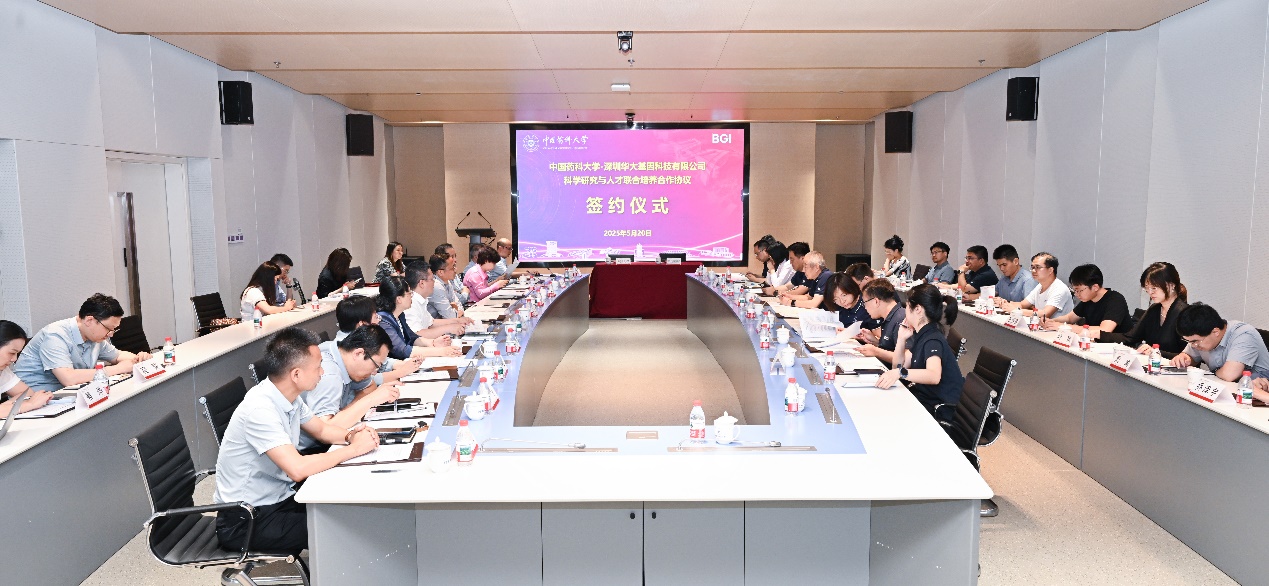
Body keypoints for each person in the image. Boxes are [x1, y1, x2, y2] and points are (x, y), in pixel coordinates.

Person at [213, 327, 379, 554]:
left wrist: (351, 436)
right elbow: (297, 469)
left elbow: (322, 430)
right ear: (296, 374)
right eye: (318, 367)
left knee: (343, 508)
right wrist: (354, 449)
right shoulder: (260, 409)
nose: (322, 372)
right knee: (340, 528)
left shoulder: (287, 396)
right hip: (246, 519)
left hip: (279, 497)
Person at [13, 294, 153, 390]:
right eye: (109, 329)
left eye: (114, 330)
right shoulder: (55, 335)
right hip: (33, 398)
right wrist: (118, 369)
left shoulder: (94, 336)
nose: (110, 334)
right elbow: (68, 378)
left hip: (65, 394)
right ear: (89, 320)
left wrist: (139, 358)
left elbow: (117, 356)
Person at [296, 325, 401, 453]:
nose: (375, 372)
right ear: (359, 353)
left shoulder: (342, 354)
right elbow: (325, 430)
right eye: (376, 365)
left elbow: (370, 386)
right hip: (311, 449)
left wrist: (348, 412)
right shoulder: (329, 374)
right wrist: (370, 400)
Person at [875, 284, 965, 423]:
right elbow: (898, 366)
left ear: (917, 309)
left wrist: (900, 373)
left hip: (939, 409)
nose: (905, 310)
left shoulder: (932, 339)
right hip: (926, 399)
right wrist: (901, 339)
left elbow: (933, 376)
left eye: (907, 306)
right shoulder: (923, 333)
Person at [332, 296, 423, 385]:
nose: (379, 320)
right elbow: (368, 380)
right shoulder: (347, 348)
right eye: (375, 316)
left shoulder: (361, 338)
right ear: (362, 324)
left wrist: (405, 364)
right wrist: (401, 372)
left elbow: (381, 361)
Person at [1171, 303, 1269, 382]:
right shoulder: (1202, 337)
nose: (1193, 345)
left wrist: (1214, 372)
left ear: (1215, 332)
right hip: (1225, 387)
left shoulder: (1244, 334)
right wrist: (1184, 358)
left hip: (1255, 391)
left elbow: (1229, 375)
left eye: (1195, 341)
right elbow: (1191, 356)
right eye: (1189, 341)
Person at [375, 276, 462, 360]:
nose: (412, 296)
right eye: (409, 293)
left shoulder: (400, 315)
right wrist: (441, 351)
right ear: (399, 299)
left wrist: (433, 343)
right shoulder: (383, 320)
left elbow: (412, 338)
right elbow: (402, 350)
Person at [1041, 264, 1132, 339]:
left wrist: (1063, 327)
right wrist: (1051, 321)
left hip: (1119, 347)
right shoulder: (1088, 299)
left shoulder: (1115, 300)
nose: (1076, 294)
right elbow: (1069, 318)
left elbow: (1104, 330)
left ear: (1095, 287)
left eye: (1079, 290)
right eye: (1074, 290)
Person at [1123, 262, 1188, 357]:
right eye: (1147, 288)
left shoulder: (1186, 314)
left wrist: (1155, 352)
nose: (1150, 292)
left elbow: (1189, 357)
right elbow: (1131, 337)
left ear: (1171, 285)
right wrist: (1101, 335)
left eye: (1154, 288)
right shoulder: (1154, 309)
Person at [0, 321, 53, 418]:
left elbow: (27, 393)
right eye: (12, 353)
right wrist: (28, 405)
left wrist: (5, 407)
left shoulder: (3, 371)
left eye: (17, 354)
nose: (14, 359)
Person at [403, 261, 469, 338]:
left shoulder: (420, 300)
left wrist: (457, 321)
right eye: (432, 279)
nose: (434, 282)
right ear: (422, 283)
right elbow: (416, 334)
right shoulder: (410, 304)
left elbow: (431, 323)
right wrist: (448, 328)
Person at [999, 252, 1073, 318]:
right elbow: (1022, 304)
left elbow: (1045, 314)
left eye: (1038, 267)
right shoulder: (1040, 286)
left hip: (1059, 328)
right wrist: (1005, 303)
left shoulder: (1059, 288)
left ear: (1050, 270)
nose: (1033, 271)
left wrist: (1016, 310)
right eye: (1032, 267)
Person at [855, 279, 906, 365]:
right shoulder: (890, 316)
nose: (865, 308)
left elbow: (906, 359)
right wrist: (875, 341)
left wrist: (876, 351)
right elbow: (892, 348)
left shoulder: (901, 319)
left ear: (876, 301)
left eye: (864, 303)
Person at [427, 254, 465, 319]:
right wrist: (456, 310)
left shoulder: (447, 282)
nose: (455, 270)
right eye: (452, 268)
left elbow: (459, 306)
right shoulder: (436, 286)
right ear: (440, 272)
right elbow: (450, 316)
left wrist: (456, 310)